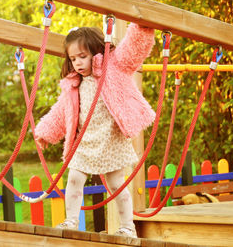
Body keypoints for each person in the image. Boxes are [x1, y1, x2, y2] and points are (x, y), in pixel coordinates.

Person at [34, 22, 155, 238]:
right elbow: (62, 111)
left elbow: (131, 52)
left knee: (116, 183)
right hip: (84, 142)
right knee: (74, 178)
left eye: (82, 56)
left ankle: (128, 226)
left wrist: (142, 28)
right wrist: (45, 132)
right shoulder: (74, 84)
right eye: (73, 59)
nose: (78, 63)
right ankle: (71, 221)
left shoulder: (112, 68)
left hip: (110, 139)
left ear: (95, 52)